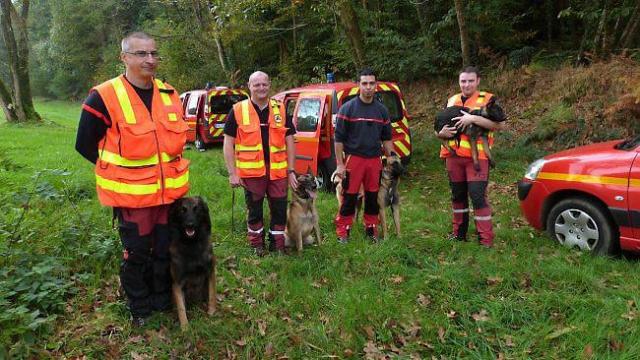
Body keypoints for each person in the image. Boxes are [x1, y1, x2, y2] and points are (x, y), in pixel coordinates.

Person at [75, 32, 190, 326]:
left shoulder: (170, 94)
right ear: (124, 57)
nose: (150, 60)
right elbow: (85, 144)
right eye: (141, 54)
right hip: (132, 199)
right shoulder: (103, 96)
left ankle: (161, 299)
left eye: (153, 53)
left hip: (169, 197)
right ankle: (139, 307)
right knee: (137, 254)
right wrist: (118, 174)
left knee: (165, 249)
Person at [222, 71, 297, 257]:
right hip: (252, 173)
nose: (261, 88)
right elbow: (228, 143)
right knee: (254, 210)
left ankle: (277, 244)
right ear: (249, 86)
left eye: (264, 84)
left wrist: (292, 171)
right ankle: (257, 245)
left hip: (278, 172)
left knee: (279, 209)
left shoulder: (280, 108)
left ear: (269, 84)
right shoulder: (238, 110)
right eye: (257, 85)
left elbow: (290, 141)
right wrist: (232, 173)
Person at [436, 66, 506, 248]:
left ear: (478, 81)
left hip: (478, 158)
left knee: (477, 197)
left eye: (470, 81)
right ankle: (459, 234)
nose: (466, 84)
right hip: (453, 156)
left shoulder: (487, 99)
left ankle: (486, 240)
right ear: (459, 82)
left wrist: (473, 119)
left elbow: (500, 126)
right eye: (463, 81)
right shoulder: (451, 100)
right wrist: (440, 133)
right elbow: (441, 124)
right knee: (457, 196)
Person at [334, 68, 395, 243]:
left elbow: (386, 138)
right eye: (364, 83)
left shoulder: (382, 111)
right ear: (358, 85)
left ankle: (371, 229)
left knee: (372, 197)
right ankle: (343, 231)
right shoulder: (348, 109)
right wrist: (340, 164)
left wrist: (391, 158)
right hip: (354, 159)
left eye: (371, 83)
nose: (368, 87)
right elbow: (338, 139)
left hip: (375, 160)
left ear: (376, 85)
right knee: (349, 196)